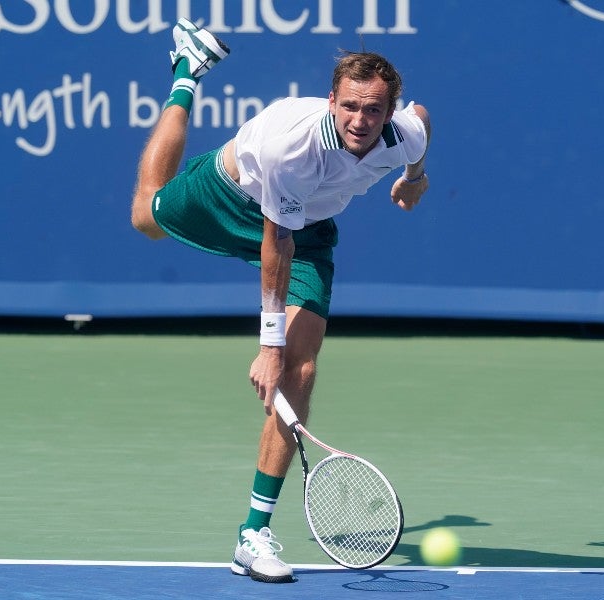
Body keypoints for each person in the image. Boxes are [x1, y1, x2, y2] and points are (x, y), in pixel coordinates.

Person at [130, 19, 431, 583]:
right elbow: (276, 243)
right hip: (233, 198)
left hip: (309, 229)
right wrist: (267, 344)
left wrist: (415, 176)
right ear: (330, 101)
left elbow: (424, 122)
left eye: (373, 110)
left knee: (303, 368)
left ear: (389, 112)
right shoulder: (294, 148)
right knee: (146, 218)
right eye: (349, 106)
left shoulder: (401, 133)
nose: (360, 120)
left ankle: (253, 532)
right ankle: (185, 74)